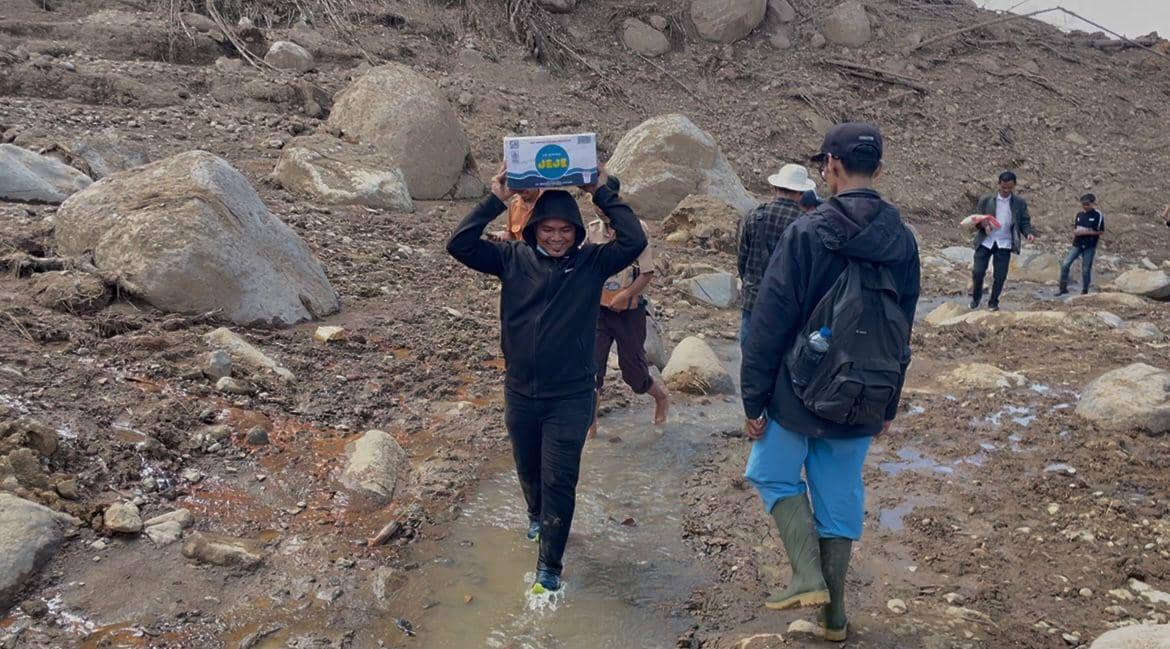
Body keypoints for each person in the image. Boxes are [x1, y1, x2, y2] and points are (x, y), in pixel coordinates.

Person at [740, 123, 920, 643]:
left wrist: (753, 397)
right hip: (865, 392)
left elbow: (771, 321)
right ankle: (833, 619)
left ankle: (806, 575)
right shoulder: (903, 241)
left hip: (797, 387)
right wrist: (890, 401)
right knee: (839, 496)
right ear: (879, 171)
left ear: (832, 167)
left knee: (771, 474)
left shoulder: (809, 230)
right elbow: (903, 327)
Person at [447, 163, 646, 593]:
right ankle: (537, 517)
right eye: (548, 229)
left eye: (565, 231)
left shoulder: (593, 263)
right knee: (529, 471)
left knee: (560, 478)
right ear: (534, 228)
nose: (556, 237)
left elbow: (635, 239)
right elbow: (458, 244)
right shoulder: (510, 258)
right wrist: (495, 199)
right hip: (520, 391)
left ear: (577, 232)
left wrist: (599, 191)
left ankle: (549, 571)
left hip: (571, 395)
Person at [585, 175, 669, 437]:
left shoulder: (636, 228)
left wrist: (626, 295)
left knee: (633, 373)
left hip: (629, 313)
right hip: (598, 312)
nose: (601, 207)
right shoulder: (592, 230)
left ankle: (661, 397)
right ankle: (591, 430)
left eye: (606, 201)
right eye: (596, 202)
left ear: (617, 199)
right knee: (591, 370)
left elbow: (647, 272)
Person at [737, 163, 818, 345]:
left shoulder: (754, 216)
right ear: (801, 193)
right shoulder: (806, 224)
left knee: (750, 358)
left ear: (774, 188)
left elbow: (742, 260)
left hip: (753, 300)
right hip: (787, 306)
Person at [969, 171, 1036, 311]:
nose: (1006, 191)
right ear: (998, 184)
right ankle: (976, 298)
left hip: (1004, 242)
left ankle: (993, 302)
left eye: (1009, 188)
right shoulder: (986, 200)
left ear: (1014, 186)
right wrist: (983, 225)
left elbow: (1024, 221)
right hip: (986, 240)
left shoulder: (1019, 203)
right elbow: (976, 219)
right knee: (978, 272)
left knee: (1000, 276)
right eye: (1003, 187)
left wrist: (1028, 233)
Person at [1058, 194, 1105, 296]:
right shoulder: (1079, 215)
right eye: (1083, 204)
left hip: (1090, 245)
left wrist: (1086, 232)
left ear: (1092, 204)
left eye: (1087, 204)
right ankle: (1062, 288)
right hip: (1077, 243)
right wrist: (1076, 232)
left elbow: (1100, 231)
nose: (1085, 206)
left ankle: (1085, 290)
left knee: (1085, 269)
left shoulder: (1097, 215)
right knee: (1065, 264)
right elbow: (1075, 227)